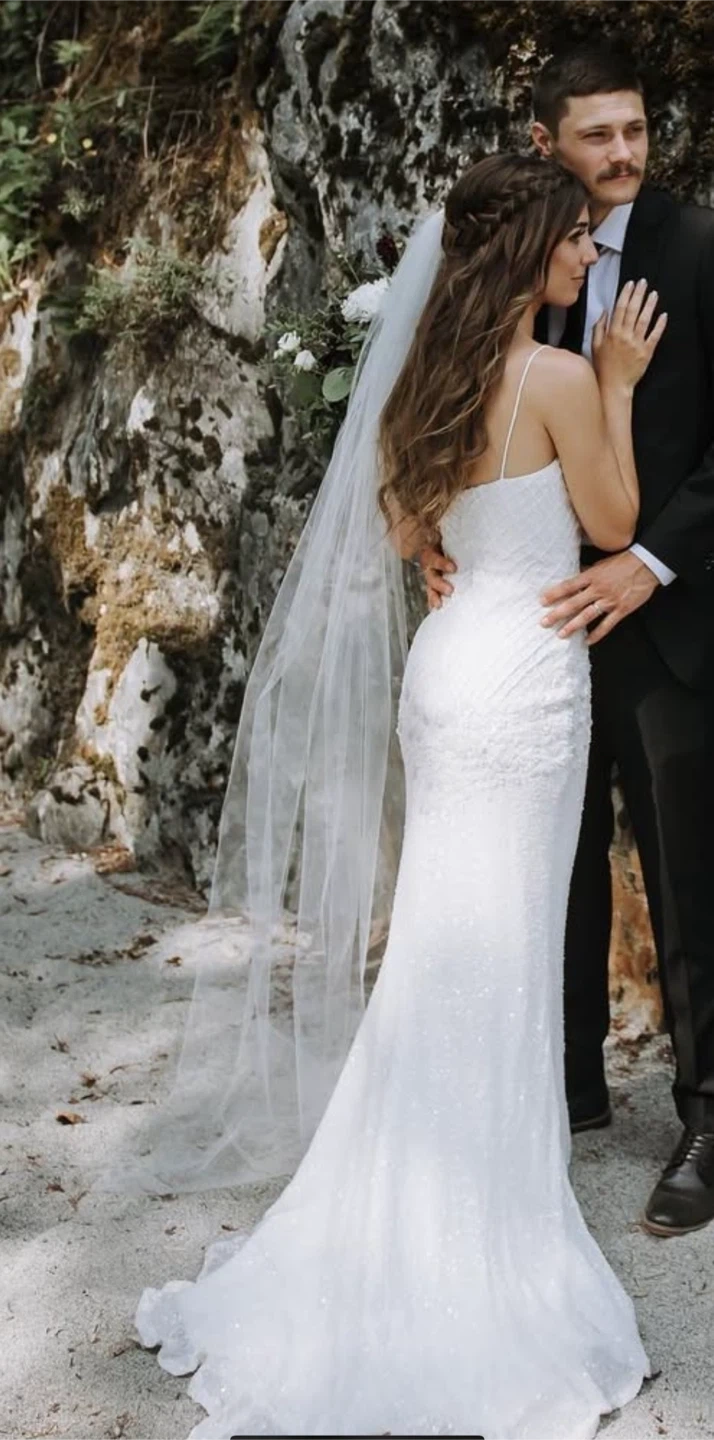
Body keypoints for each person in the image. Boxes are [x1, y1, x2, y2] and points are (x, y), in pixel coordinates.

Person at [135, 154, 664, 1438]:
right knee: (500, 951)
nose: (588, 255)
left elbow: (400, 524)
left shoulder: (429, 372)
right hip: (524, 685)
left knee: (443, 944)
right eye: (575, 238)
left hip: (449, 673)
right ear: (530, 248)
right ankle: (475, 1237)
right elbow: (613, 522)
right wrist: (618, 383)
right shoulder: (555, 375)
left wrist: (441, 554)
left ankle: (411, 1197)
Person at [423, 43, 714, 1239]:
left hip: (665, 616)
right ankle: (565, 1078)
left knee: (685, 866)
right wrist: (437, 537)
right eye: (599, 134)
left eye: (636, 129)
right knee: (548, 853)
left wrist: (649, 564)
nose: (625, 153)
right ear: (547, 142)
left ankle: (707, 1119)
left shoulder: (700, 248)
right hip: (528, 624)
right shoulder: (509, 259)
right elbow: (444, 418)